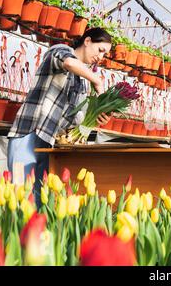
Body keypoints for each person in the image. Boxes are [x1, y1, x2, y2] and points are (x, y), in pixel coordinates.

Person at [7, 27, 113, 207]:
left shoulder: (82, 84)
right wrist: (97, 80)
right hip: (28, 135)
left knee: (40, 202)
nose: (101, 57)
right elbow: (70, 64)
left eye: (105, 54)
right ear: (87, 41)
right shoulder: (60, 50)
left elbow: (76, 122)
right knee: (19, 197)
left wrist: (95, 120)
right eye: (100, 50)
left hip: (49, 145)